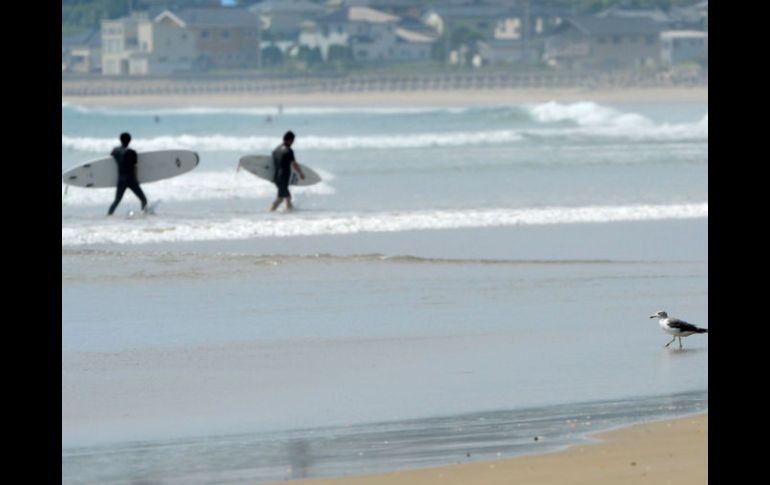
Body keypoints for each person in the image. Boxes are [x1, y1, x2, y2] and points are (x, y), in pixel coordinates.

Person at [107, 132, 147, 216]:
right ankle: (144, 215)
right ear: (130, 141)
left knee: (117, 201)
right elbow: (135, 167)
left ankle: (109, 215)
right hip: (131, 179)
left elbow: (109, 162)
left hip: (121, 179)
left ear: (120, 140)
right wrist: (136, 180)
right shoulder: (132, 152)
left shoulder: (115, 151)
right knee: (143, 200)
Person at [270, 131, 305, 211]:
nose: (293, 143)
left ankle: (289, 214)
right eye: (292, 141)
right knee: (281, 199)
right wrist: (301, 173)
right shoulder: (288, 151)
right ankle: (269, 212)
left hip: (276, 177)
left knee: (287, 198)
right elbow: (294, 164)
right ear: (290, 140)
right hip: (283, 177)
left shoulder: (276, 150)